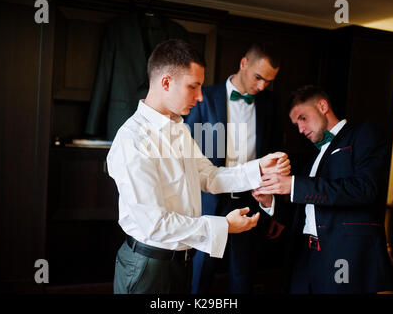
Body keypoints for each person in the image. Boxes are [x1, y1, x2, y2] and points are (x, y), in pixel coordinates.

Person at [106, 39, 290, 294]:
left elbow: (210, 176)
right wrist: (223, 226)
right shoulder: (133, 140)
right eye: (193, 87)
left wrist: (259, 168)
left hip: (182, 262)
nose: (201, 96)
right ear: (166, 82)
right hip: (149, 268)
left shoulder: (179, 129)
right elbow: (154, 224)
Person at [252, 85, 393, 293]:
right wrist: (268, 201)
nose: (300, 129)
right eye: (295, 124)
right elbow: (303, 213)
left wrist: (293, 184)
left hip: (343, 255)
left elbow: (365, 189)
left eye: (302, 118)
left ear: (322, 106)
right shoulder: (312, 161)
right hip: (305, 256)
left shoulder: (364, 133)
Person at [184, 42, 284, 294]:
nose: (261, 86)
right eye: (258, 77)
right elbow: (187, 151)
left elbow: (275, 158)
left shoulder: (270, 105)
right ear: (243, 64)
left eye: (268, 82)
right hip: (209, 198)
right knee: (201, 272)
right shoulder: (204, 97)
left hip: (250, 198)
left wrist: (276, 208)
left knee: (243, 274)